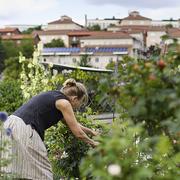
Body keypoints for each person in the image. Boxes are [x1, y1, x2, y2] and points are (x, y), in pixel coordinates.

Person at [3, 78, 99, 180]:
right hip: (25, 128)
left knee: (15, 168)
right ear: (75, 99)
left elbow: (73, 124)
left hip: (10, 124)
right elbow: (78, 133)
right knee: (44, 173)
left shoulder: (54, 96)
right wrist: (93, 143)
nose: (79, 107)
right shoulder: (64, 103)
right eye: (81, 103)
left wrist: (91, 132)